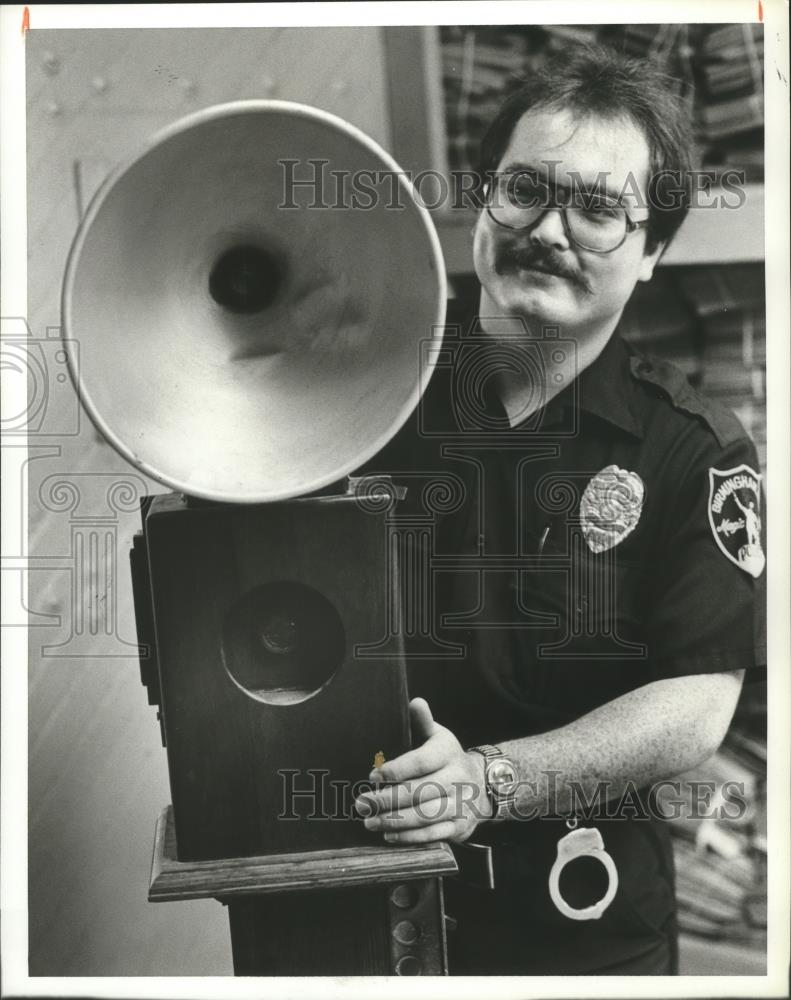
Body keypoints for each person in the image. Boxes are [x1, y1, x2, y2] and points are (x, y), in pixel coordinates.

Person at [354, 46, 766, 975]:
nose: (548, 227)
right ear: (482, 201)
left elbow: (695, 702)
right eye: (525, 189)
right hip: (354, 903)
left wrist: (488, 784)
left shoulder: (693, 449)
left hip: (580, 930)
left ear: (654, 251)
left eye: (597, 208)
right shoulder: (357, 402)